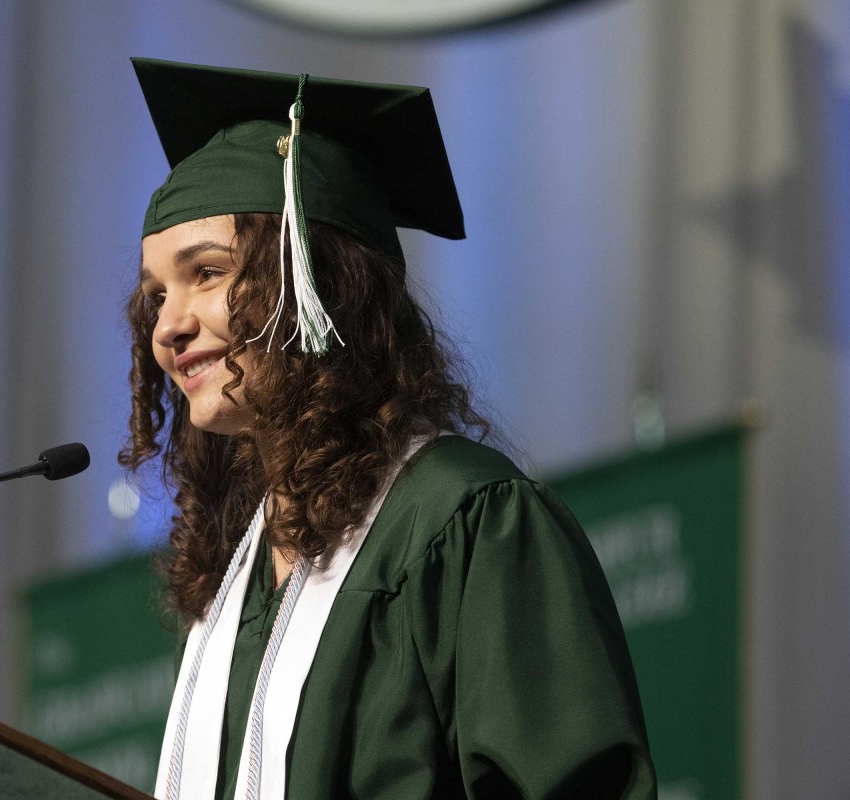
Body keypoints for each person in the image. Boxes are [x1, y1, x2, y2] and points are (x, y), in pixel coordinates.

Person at [120, 58, 656, 800]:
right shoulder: (239, 584)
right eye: (155, 297)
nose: (169, 327)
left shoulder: (466, 523)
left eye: (206, 273)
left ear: (317, 282)